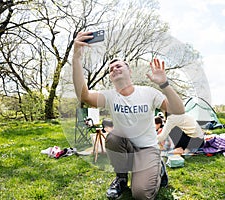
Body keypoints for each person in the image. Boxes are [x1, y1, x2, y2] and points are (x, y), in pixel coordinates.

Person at [72, 31, 185, 200]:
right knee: (113, 137)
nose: (114, 69)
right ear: (110, 77)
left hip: (147, 149)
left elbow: (178, 110)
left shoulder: (148, 93)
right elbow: (84, 96)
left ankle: (158, 168)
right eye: (111, 69)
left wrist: (164, 84)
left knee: (140, 195)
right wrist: (76, 59)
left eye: (119, 66)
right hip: (127, 146)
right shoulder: (110, 96)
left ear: (129, 71)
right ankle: (121, 178)